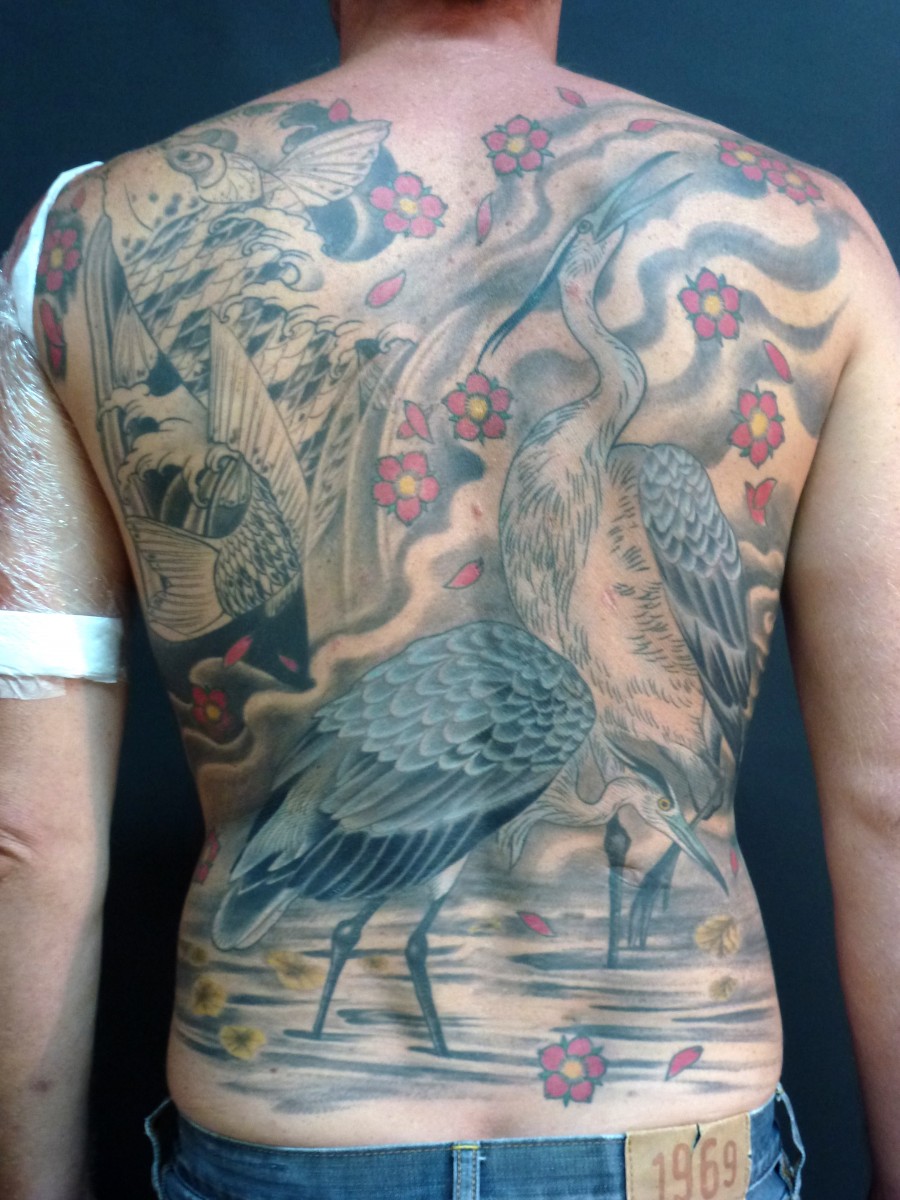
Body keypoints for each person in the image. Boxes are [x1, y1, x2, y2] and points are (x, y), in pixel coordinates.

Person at [1, 0, 898, 1196]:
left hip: (293, 1134)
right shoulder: (820, 238)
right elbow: (890, 795)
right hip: (675, 1150)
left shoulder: (85, 246)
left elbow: (23, 837)